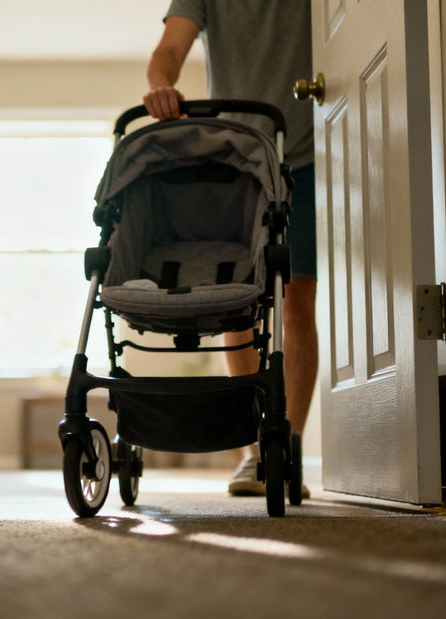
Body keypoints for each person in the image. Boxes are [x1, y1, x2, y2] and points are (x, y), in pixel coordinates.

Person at [143, 0, 318, 498]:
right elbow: (170, 48)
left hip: (304, 155)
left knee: (296, 302)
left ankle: (290, 447)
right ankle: (253, 453)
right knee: (237, 305)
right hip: (238, 156)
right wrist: (161, 85)